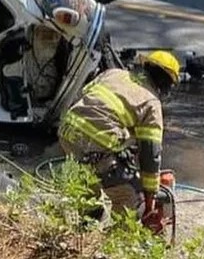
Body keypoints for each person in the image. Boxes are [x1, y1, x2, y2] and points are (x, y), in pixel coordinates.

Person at [57, 50, 180, 231]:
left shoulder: (113, 73)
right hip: (98, 145)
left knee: (87, 189)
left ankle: (85, 230)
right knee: (128, 198)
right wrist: (150, 198)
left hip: (68, 132)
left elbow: (85, 97)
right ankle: (119, 239)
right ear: (166, 83)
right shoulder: (151, 103)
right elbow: (150, 155)